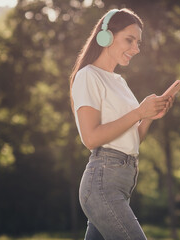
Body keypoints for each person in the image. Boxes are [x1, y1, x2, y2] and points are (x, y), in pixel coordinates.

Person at [69, 8, 174, 240]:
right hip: (102, 183)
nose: (136, 49)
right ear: (106, 36)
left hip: (122, 182)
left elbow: (131, 139)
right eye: (130, 40)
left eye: (138, 43)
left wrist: (148, 116)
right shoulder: (88, 76)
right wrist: (138, 111)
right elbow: (91, 138)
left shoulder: (119, 82)